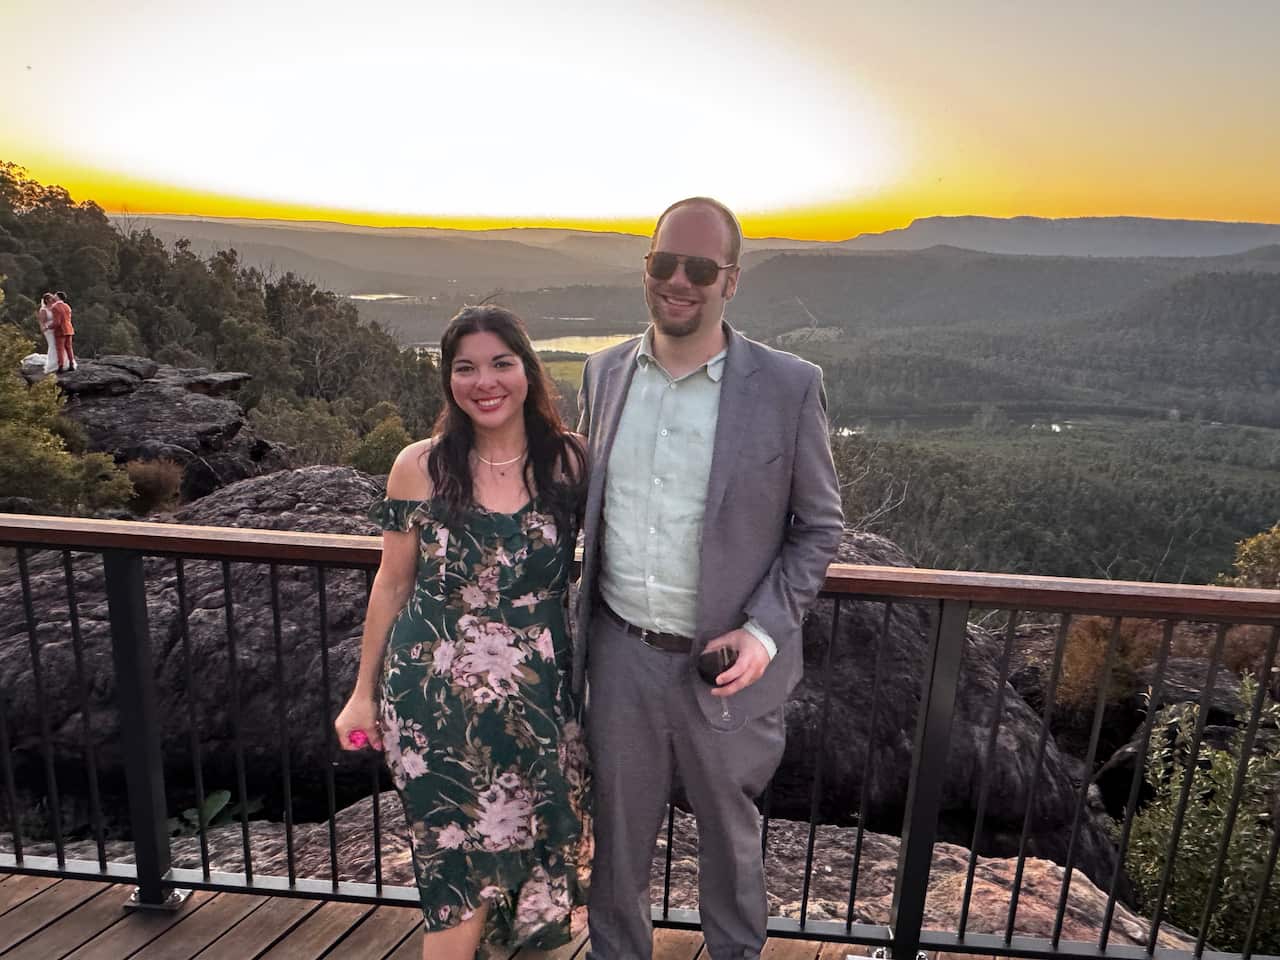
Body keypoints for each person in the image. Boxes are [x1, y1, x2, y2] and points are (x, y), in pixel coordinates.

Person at [575, 197, 844, 960]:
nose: (679, 282)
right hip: (619, 652)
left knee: (731, 845)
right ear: (647, 270)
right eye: (665, 264)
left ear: (732, 279)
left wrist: (763, 634)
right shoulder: (603, 374)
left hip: (728, 666)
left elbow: (818, 526)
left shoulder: (788, 386)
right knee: (618, 843)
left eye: (700, 268)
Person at [335, 305, 591, 960]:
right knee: (459, 878)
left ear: (527, 372)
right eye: (466, 367)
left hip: (540, 704)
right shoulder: (417, 467)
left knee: (543, 866)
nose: (486, 381)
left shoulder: (570, 464)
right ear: (449, 380)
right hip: (434, 702)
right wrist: (362, 694)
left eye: (501, 363)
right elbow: (392, 583)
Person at [51, 291, 76, 371]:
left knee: (60, 348)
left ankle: (61, 365)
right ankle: (71, 364)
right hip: (69, 329)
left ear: (58, 297)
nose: (53, 296)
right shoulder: (67, 306)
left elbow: (57, 322)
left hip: (60, 330)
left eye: (55, 295)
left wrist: (49, 326)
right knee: (69, 347)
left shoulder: (55, 307)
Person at [37, 293, 59, 373]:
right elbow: (41, 321)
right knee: (52, 344)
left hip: (55, 328)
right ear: (46, 300)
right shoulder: (43, 310)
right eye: (50, 298)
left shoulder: (54, 307)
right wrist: (43, 329)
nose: (52, 299)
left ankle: (58, 361)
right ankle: (52, 364)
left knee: (57, 344)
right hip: (48, 330)